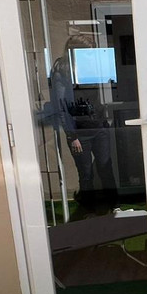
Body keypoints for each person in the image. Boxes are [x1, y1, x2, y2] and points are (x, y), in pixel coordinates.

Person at [45, 36, 116, 213]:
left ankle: (114, 206)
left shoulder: (91, 68)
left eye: (92, 52)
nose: (91, 56)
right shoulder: (62, 72)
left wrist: (104, 121)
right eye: (88, 52)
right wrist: (72, 136)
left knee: (105, 168)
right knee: (86, 173)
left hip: (99, 127)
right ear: (74, 52)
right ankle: (88, 210)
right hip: (79, 133)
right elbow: (62, 108)